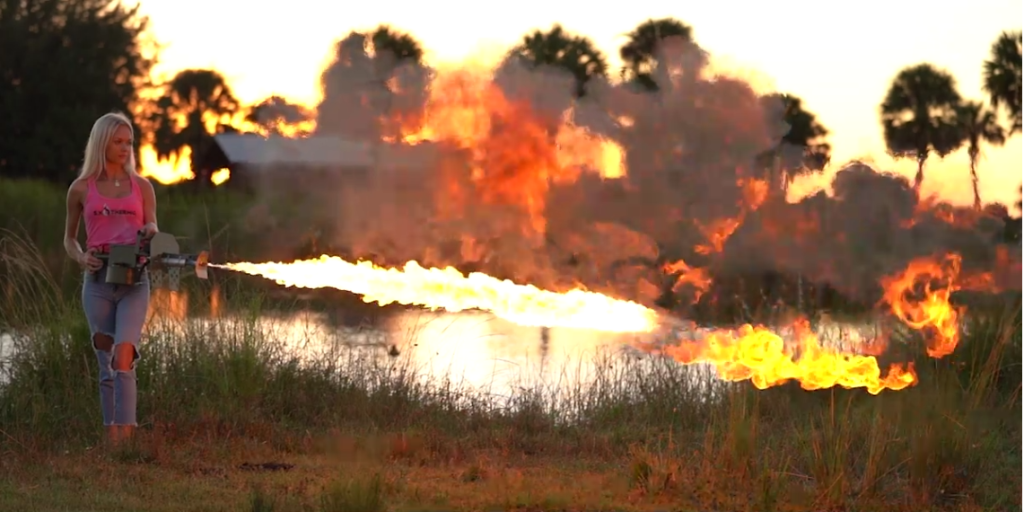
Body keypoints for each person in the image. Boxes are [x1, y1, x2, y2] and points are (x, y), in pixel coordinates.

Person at [63, 111, 159, 446]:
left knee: (124, 355)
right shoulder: (80, 189)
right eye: (118, 141)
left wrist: (149, 231)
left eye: (129, 142)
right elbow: (69, 239)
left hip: (135, 281)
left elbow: (153, 227)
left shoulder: (142, 187)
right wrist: (81, 256)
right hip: (98, 284)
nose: (124, 148)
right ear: (102, 142)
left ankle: (127, 439)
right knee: (105, 358)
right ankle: (111, 439)